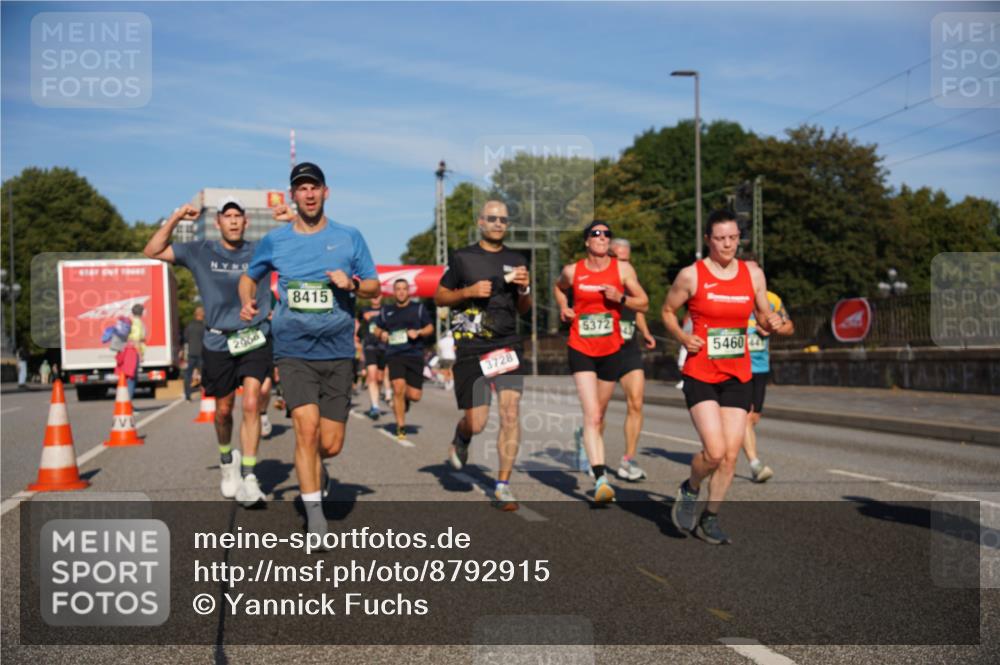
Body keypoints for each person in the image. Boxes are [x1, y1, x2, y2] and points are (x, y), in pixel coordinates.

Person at [240, 162, 379, 539]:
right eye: (301, 188)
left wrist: (350, 284)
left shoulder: (349, 237)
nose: (309, 194)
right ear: (293, 196)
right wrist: (248, 301)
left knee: (329, 444)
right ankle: (315, 518)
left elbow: (373, 287)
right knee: (305, 428)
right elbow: (248, 277)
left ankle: (319, 470)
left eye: (314, 187)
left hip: (337, 352)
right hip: (293, 350)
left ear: (326, 191)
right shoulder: (276, 241)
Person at [662, 209, 783, 544]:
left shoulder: (753, 274)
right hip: (701, 371)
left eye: (732, 238)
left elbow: (762, 316)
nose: (727, 244)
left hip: (737, 373)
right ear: (708, 240)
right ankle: (691, 488)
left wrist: (769, 322)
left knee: (730, 455)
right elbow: (667, 311)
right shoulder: (692, 275)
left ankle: (710, 518)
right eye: (720, 238)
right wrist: (684, 338)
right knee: (713, 452)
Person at [144, 196, 273, 507]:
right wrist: (176, 217)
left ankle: (251, 476)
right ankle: (228, 461)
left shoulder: (263, 250)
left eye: (237, 216)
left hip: (255, 336)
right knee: (224, 411)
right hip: (218, 341)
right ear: (218, 224)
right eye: (226, 216)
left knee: (253, 403)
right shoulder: (201, 250)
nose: (232, 221)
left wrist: (287, 219)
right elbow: (152, 250)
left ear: (245, 222)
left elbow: (301, 248)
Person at [434, 200, 531, 512]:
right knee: (476, 423)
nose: (498, 223)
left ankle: (502, 485)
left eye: (503, 219)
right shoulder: (463, 258)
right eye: (492, 218)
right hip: (471, 347)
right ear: (480, 222)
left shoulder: (517, 259)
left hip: (506, 343)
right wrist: (468, 292)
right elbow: (440, 296)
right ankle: (462, 437)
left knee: (510, 413)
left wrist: (526, 290)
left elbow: (523, 308)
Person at [554, 220, 648, 503]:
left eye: (607, 234)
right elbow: (559, 289)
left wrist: (621, 298)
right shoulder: (573, 271)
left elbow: (643, 302)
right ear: (587, 241)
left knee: (600, 413)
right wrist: (564, 307)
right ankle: (601, 479)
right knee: (593, 414)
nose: (603, 237)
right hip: (580, 347)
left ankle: (589, 442)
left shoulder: (622, 269)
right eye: (597, 234)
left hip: (611, 350)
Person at [741, 256, 794, 483]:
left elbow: (789, 327)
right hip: (737, 365)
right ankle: (754, 463)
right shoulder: (735, 297)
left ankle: (729, 446)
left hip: (760, 367)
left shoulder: (771, 299)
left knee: (753, 418)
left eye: (756, 273)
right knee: (742, 417)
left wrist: (773, 328)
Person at [609, 238, 655, 481]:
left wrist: (645, 332)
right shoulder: (597, 279)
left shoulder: (631, 280)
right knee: (597, 411)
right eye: (618, 258)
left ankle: (628, 460)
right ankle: (590, 451)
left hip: (628, 349)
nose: (623, 264)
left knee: (636, 402)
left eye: (626, 259)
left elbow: (638, 309)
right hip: (602, 349)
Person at [373, 279, 434, 440]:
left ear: (409, 291)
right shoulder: (387, 310)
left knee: (415, 396)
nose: (401, 292)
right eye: (398, 289)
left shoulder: (418, 308)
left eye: (404, 289)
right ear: (394, 291)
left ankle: (404, 400)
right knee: (398, 386)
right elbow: (376, 328)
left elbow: (430, 327)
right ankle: (401, 427)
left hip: (414, 354)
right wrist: (382, 334)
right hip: (395, 354)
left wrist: (419, 332)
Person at [359, 294, 387, 420]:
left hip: (383, 346)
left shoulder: (386, 310)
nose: (375, 298)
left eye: (377, 295)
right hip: (370, 345)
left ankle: (375, 400)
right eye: (373, 295)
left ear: (381, 297)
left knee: (380, 378)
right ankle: (375, 406)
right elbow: (359, 326)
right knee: (372, 375)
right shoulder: (364, 310)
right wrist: (365, 319)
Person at [183, 306, 206, 401]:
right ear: (201, 315)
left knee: (188, 374)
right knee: (204, 374)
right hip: (201, 353)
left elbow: (185, 338)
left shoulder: (189, 326)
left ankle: (188, 395)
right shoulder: (204, 327)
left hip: (191, 353)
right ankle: (204, 393)